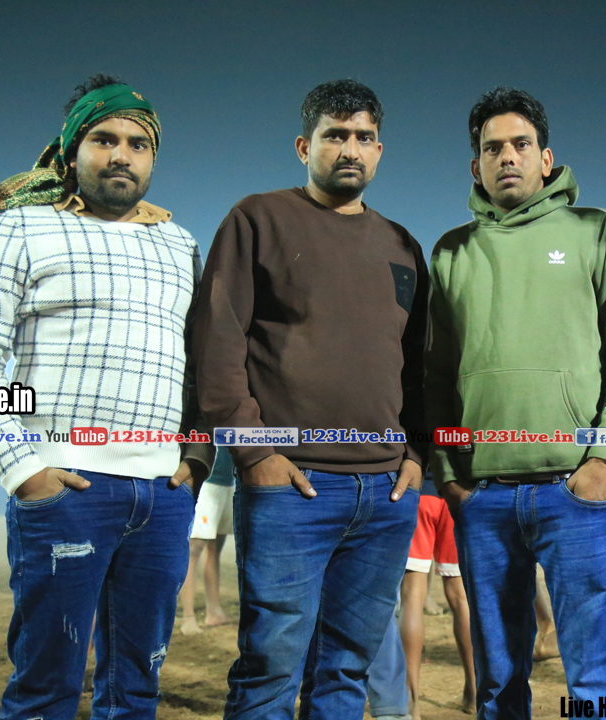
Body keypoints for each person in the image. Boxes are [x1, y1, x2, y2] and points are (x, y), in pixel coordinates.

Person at [0, 74, 207, 719]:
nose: (122, 155)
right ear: (71, 150)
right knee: (46, 689)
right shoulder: (18, 229)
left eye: (138, 144)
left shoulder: (179, 243)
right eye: (103, 139)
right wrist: (24, 471)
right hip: (65, 486)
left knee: (137, 690)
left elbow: (201, 364)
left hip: (163, 496)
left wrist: (196, 458)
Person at [191, 78, 427, 719]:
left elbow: (417, 366)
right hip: (292, 488)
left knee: (345, 672)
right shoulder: (257, 220)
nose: (350, 149)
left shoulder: (402, 245)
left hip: (385, 494)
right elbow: (217, 343)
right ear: (304, 146)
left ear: (380, 150)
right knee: (270, 672)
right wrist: (254, 453)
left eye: (364, 137)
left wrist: (416, 454)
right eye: (334, 135)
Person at [426, 87, 606, 716]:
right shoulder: (450, 251)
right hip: (483, 499)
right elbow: (433, 376)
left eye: (521, 144)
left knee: (596, 682)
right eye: (492, 148)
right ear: (476, 165)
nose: (507, 156)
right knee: (498, 687)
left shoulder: (595, 230)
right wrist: (449, 474)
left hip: (575, 491)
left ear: (545, 159)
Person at [398, 475, 475, 719]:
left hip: (419, 494)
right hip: (457, 494)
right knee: (461, 597)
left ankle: (411, 702)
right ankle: (474, 692)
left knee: (412, 596)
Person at [179, 447, 237, 634]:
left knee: (215, 548)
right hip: (206, 483)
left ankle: (214, 611)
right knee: (194, 549)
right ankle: (188, 617)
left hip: (229, 481)